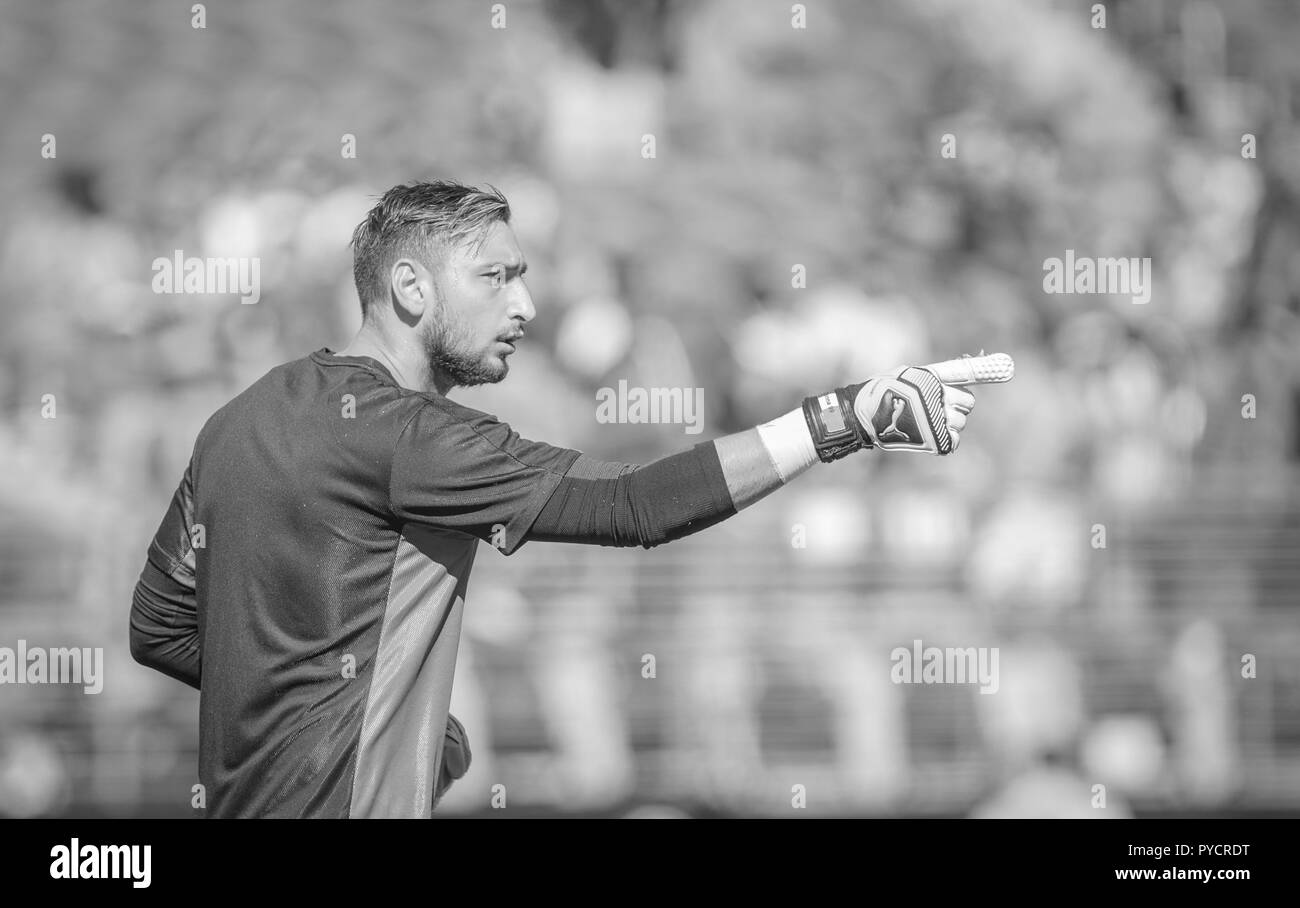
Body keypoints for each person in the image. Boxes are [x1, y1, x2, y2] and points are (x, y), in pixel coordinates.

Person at [128, 179, 979, 817]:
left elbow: (159, 628)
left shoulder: (236, 418)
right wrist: (840, 421)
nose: (525, 304)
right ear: (411, 289)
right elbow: (633, 506)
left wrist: (344, 706)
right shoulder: (408, 436)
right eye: (495, 278)